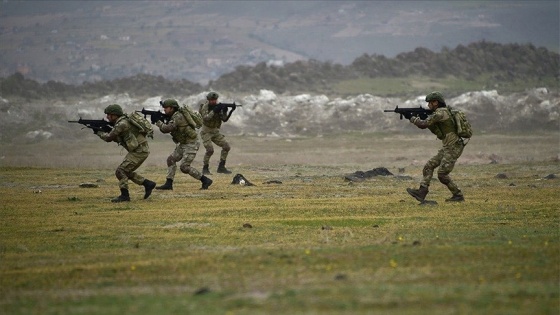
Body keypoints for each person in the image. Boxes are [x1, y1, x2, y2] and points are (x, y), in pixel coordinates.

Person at [406, 91, 465, 202]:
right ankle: (422, 192)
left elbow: (423, 124)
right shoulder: (442, 112)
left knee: (442, 174)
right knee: (429, 166)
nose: (428, 105)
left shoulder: (440, 113)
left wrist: (411, 118)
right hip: (448, 147)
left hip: (454, 147)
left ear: (436, 102)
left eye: (430, 103)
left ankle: (458, 195)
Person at [96, 104, 156, 202]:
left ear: (115, 115)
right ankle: (148, 184)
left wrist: (98, 132)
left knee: (120, 171)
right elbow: (118, 137)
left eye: (109, 115)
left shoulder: (121, 124)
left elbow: (108, 138)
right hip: (140, 150)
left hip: (139, 151)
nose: (107, 117)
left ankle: (125, 196)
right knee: (126, 171)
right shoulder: (122, 122)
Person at [155, 99, 213, 190]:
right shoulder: (174, 116)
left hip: (191, 143)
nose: (164, 110)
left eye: (166, 108)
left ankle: (205, 180)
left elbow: (167, 129)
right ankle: (168, 184)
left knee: (184, 167)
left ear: (172, 108)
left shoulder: (177, 116)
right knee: (171, 160)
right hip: (183, 143)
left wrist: (158, 122)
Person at [198, 91, 235, 174]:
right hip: (206, 131)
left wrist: (228, 111)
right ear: (208, 100)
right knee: (210, 150)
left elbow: (224, 119)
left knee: (226, 147)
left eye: (215, 100)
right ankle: (205, 168)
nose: (213, 101)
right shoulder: (205, 107)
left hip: (215, 131)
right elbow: (206, 118)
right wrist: (214, 111)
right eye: (211, 100)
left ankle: (221, 167)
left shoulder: (218, 107)